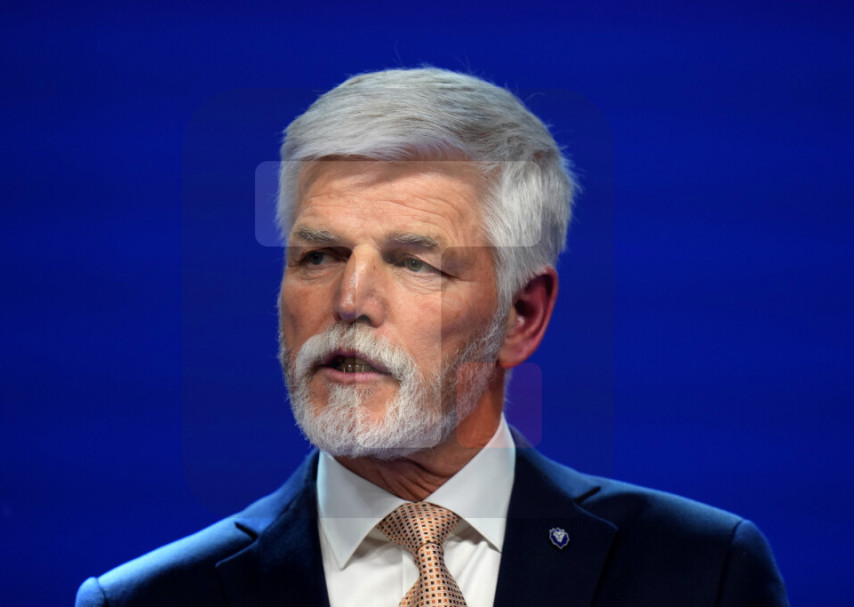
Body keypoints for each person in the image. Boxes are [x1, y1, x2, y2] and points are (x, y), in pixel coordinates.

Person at [76, 68, 788, 606]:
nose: (349, 301)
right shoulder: (146, 602)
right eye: (319, 256)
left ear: (521, 315)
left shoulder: (701, 573)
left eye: (415, 262)